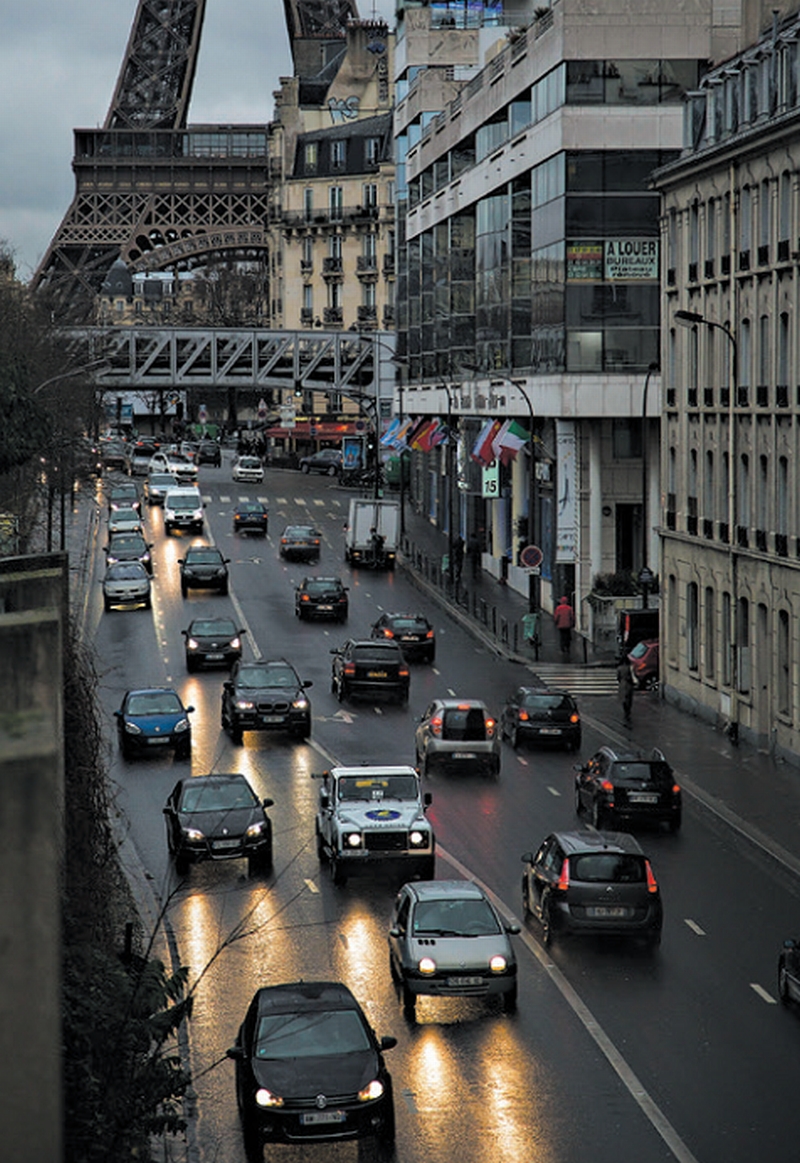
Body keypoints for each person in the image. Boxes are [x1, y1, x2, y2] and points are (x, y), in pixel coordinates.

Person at [618, 659, 635, 726]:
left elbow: (618, 677)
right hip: (628, 684)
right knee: (629, 698)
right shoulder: (629, 668)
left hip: (622, 684)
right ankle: (628, 711)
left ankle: (625, 710)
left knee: (623, 698)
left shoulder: (619, 668)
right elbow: (631, 677)